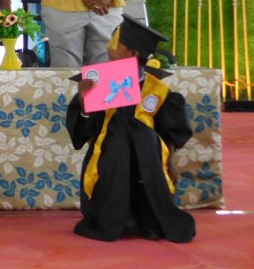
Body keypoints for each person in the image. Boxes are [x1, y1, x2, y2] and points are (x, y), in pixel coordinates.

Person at [67, 17, 195, 243]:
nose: (109, 50)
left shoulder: (158, 90)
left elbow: (174, 133)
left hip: (146, 163)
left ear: (133, 53)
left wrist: (153, 148)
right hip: (108, 161)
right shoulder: (100, 85)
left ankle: (149, 216)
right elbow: (84, 132)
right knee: (118, 141)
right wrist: (85, 104)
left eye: (117, 46)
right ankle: (113, 217)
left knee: (143, 138)